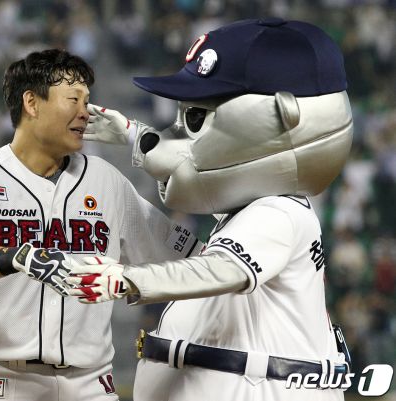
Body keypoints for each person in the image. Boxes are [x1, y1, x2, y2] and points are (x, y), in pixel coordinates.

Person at [65, 18, 354, 401]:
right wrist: (132, 139)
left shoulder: (278, 211)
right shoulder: (250, 211)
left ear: (284, 117)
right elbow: (199, 243)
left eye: (196, 118)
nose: (179, 131)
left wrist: (127, 279)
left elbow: (219, 270)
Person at [0, 49, 200, 401]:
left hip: (90, 384)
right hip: (4, 380)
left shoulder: (107, 182)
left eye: (87, 100)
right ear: (31, 103)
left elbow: (193, 260)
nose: (86, 112)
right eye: (73, 99)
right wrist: (18, 257)